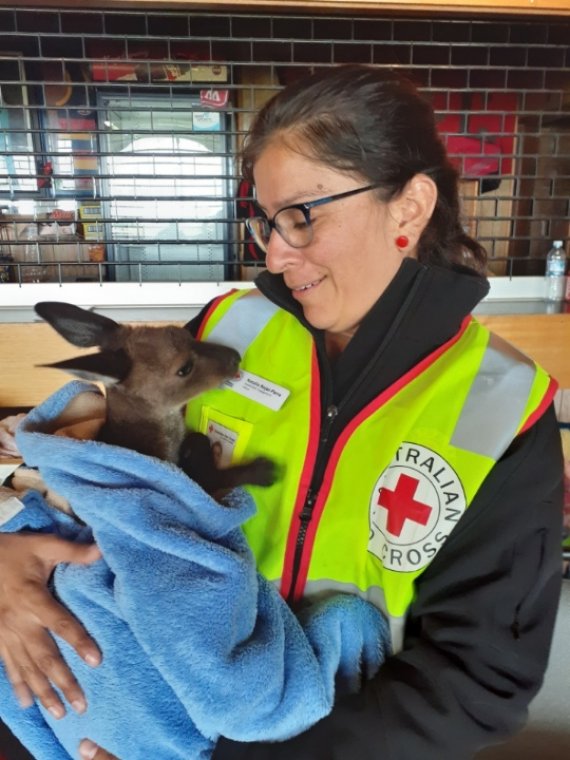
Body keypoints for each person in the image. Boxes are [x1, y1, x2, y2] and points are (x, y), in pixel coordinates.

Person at [0, 64, 564, 760]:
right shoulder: (228, 332)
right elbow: (126, 501)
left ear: (410, 208)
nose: (273, 250)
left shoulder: (501, 405)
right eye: (267, 220)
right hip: (146, 721)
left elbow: (478, 685)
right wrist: (14, 559)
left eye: (303, 215)